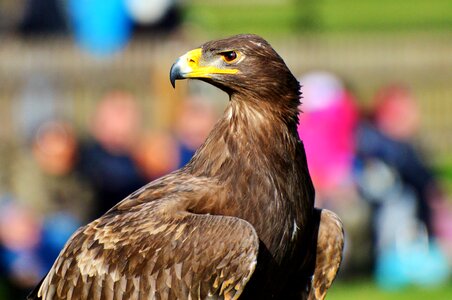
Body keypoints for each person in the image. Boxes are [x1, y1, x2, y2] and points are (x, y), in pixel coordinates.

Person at [78, 91, 147, 218]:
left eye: (127, 111)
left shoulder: (148, 160)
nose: (124, 119)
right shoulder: (83, 157)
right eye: (119, 111)